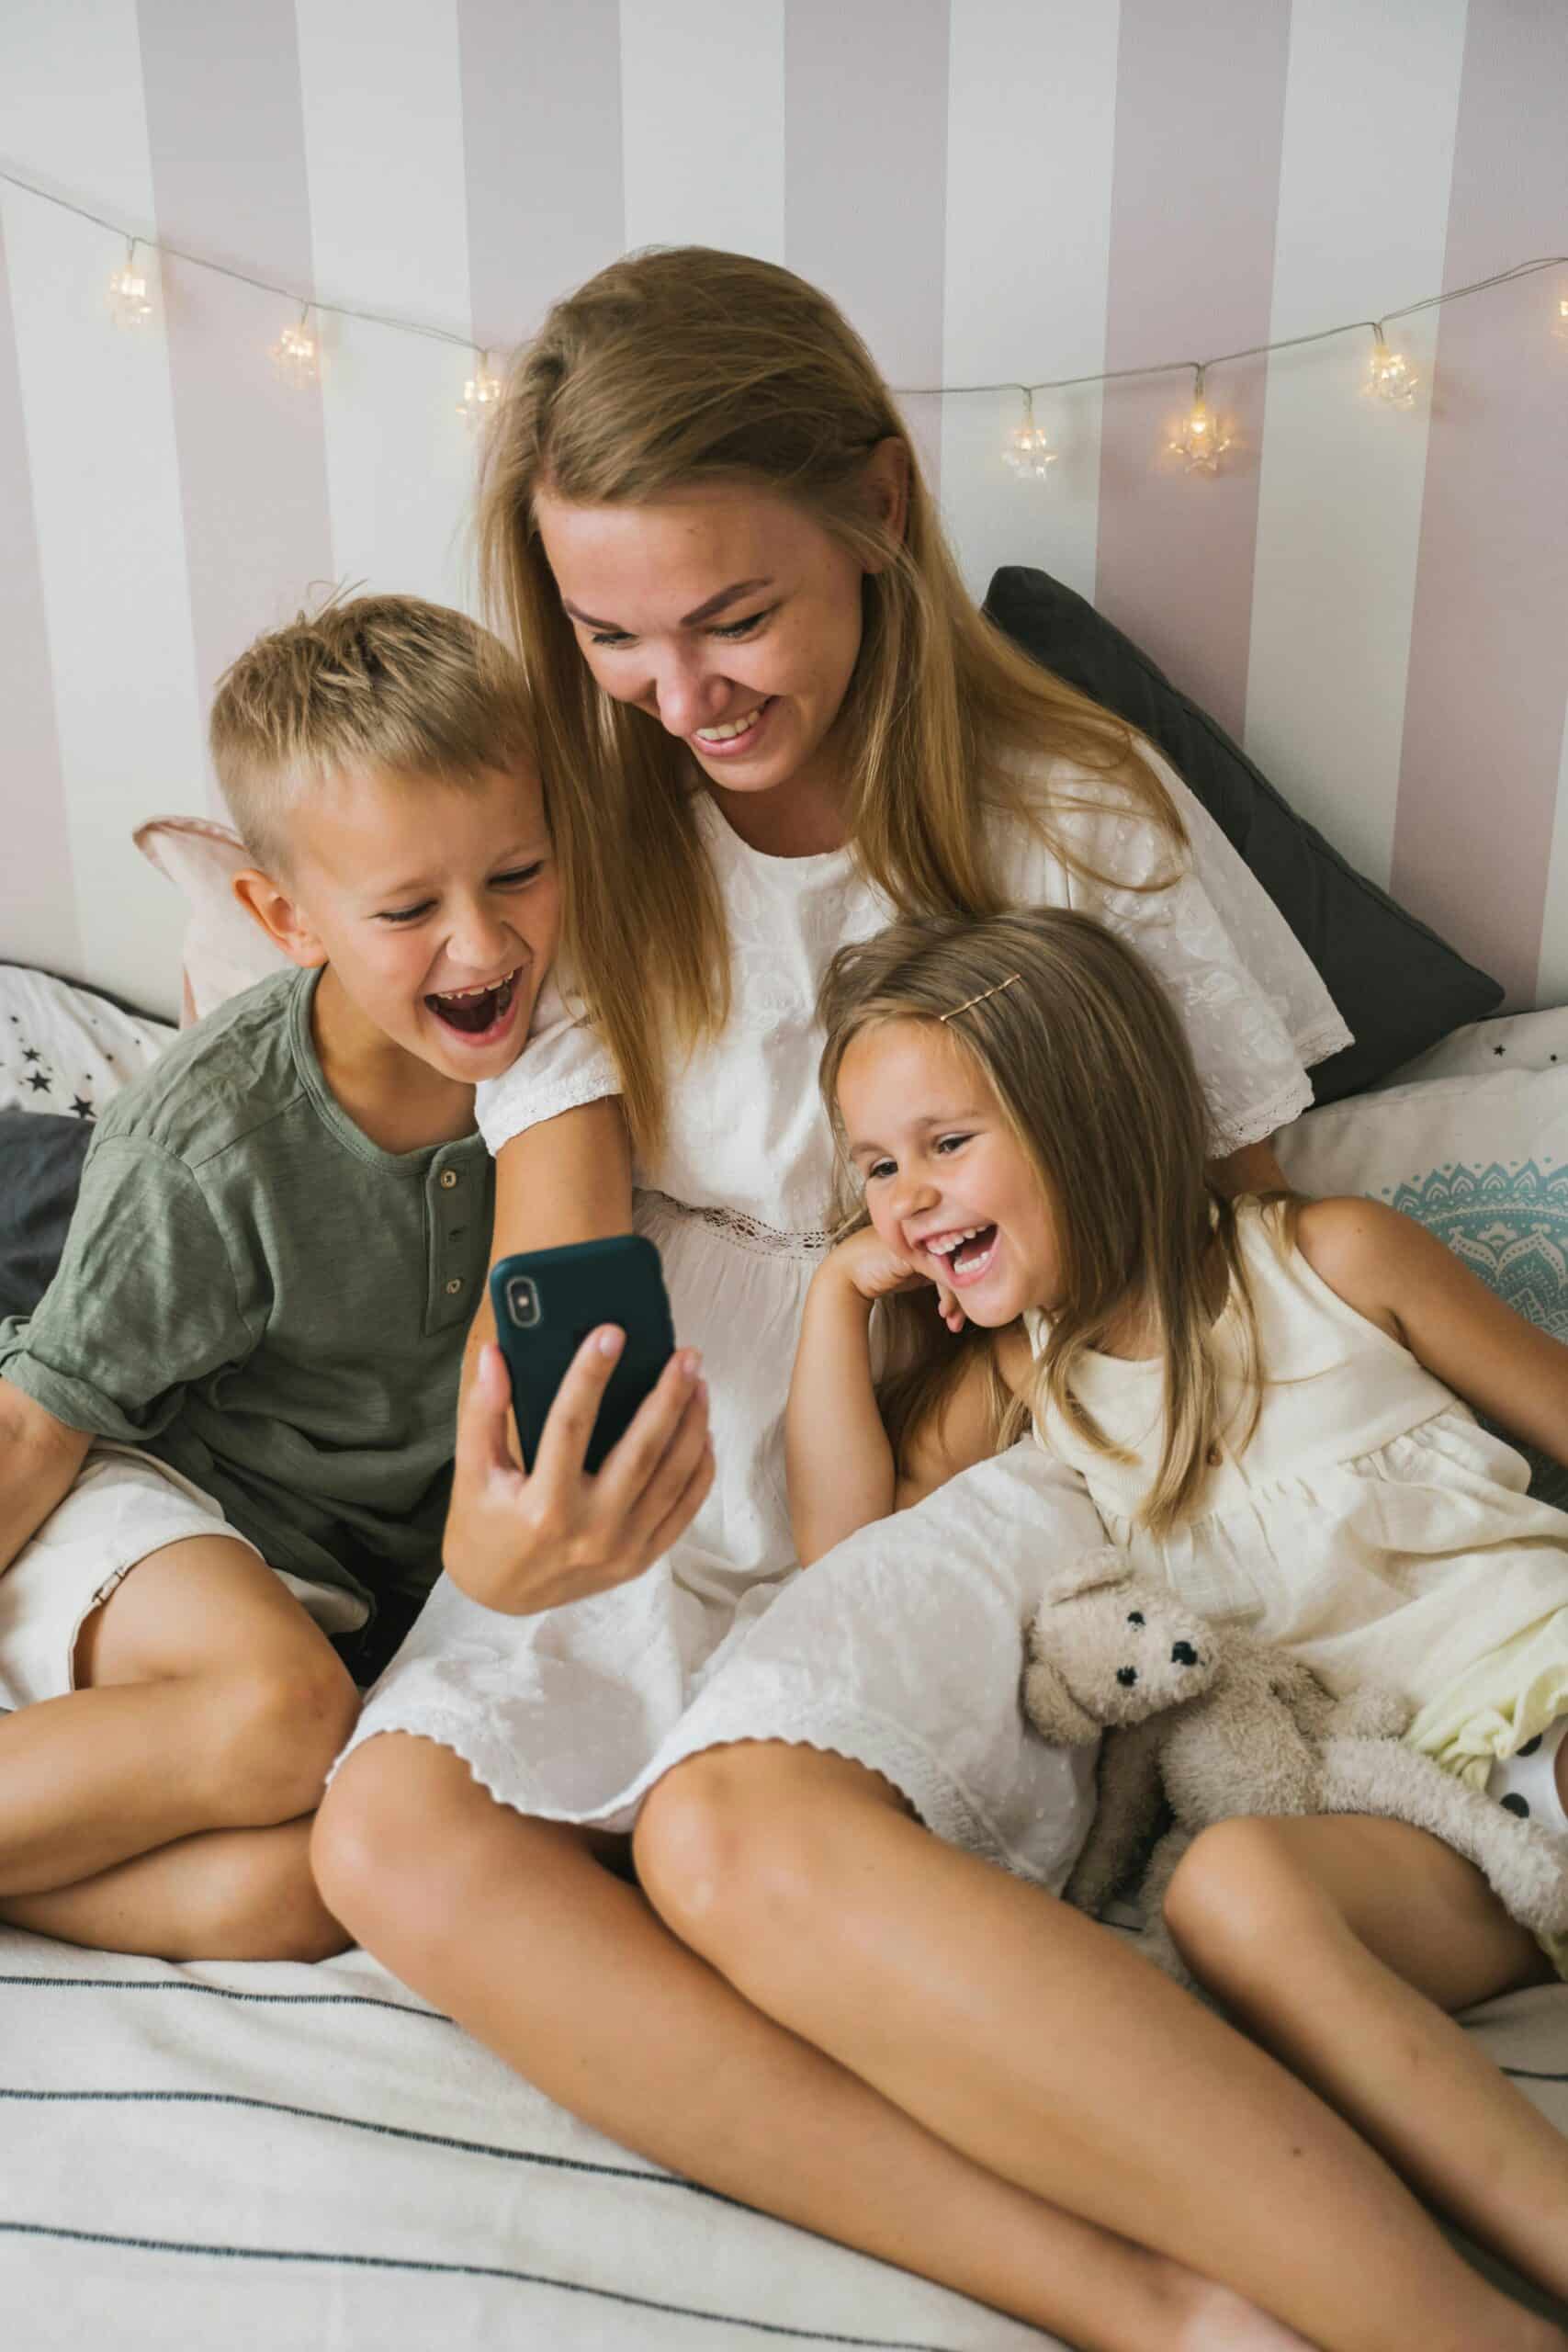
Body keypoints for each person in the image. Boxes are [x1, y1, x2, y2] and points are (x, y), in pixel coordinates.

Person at [313, 251, 1558, 2351]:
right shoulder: (570, 834)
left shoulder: (1069, 805)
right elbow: (561, 1226)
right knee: (389, 1830)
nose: (675, 692)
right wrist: (515, 1497)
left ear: (877, 508)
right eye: (608, 635)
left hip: (980, 1429)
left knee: (729, 1824)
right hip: (677, 1405)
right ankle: (1153, 2298)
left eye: (731, 617)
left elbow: (1222, 1255)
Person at [791, 899, 1568, 2310]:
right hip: (1434, 1819)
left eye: (947, 1145)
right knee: (1227, 1891)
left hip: (1552, 1686)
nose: (904, 1197)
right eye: (875, 1167)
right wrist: (835, 1304)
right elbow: (844, 1574)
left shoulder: (1331, 1259)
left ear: (1090, 1116)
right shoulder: (1030, 1391)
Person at [0, 595, 676, 1965]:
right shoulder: (212, 1142)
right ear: (284, 917)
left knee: (321, 1890)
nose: (481, 947)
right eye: (409, 910)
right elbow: (40, 1419)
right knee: (281, 1710)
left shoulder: (570, 1063)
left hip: (348, 1581)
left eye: (518, 876)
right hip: (146, 1505)